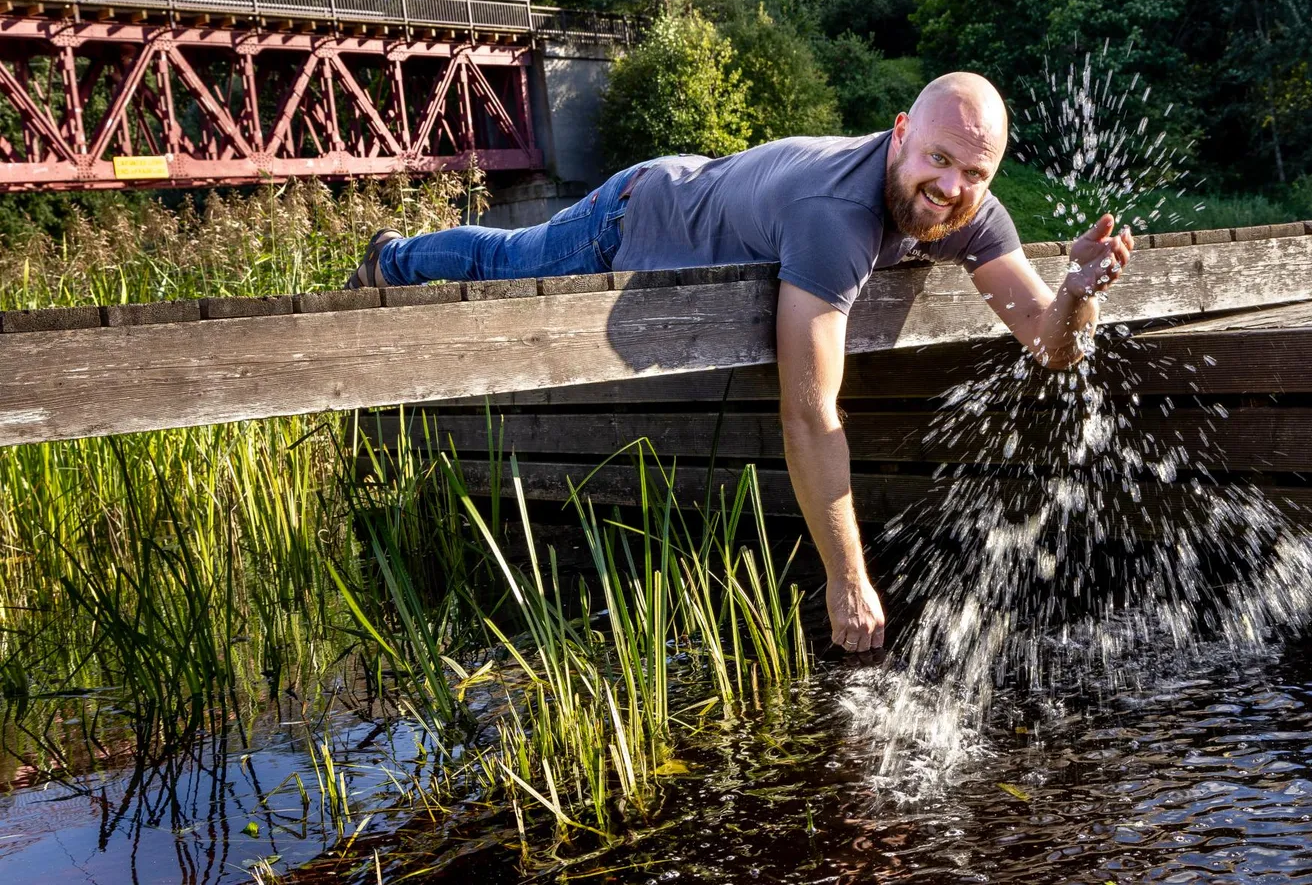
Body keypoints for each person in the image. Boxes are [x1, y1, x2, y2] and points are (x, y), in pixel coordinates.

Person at [346, 71, 1135, 654]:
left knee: (511, 261)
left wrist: (1076, 289)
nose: (951, 188)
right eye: (938, 160)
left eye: (974, 175)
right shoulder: (836, 218)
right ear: (900, 133)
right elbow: (810, 412)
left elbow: (1049, 342)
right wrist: (848, 578)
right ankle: (395, 258)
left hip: (718, 190)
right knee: (510, 263)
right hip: (639, 213)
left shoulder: (968, 208)